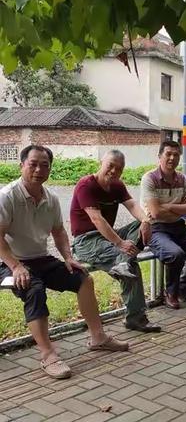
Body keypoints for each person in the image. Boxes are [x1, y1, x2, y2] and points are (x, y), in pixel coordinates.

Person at [0, 145, 128, 379]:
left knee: (83, 279)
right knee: (34, 289)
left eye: (45, 165)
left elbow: (59, 232)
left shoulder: (51, 198)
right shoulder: (7, 196)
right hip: (9, 261)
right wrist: (16, 266)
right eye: (33, 164)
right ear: (22, 166)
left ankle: (98, 337)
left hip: (41, 258)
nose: (39, 169)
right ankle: (48, 355)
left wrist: (68, 257)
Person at [71, 150, 161, 333]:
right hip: (86, 241)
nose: (113, 171)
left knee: (140, 226)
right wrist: (120, 244)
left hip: (108, 237)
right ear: (101, 162)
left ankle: (122, 262)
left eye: (118, 168)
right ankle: (135, 318)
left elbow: (133, 205)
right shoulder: (85, 185)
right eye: (110, 166)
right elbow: (97, 220)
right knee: (130, 264)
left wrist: (146, 221)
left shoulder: (117, 186)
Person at [141, 140, 186, 310]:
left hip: (178, 226)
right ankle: (171, 293)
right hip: (156, 228)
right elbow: (156, 214)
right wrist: (181, 209)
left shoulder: (182, 179)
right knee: (175, 254)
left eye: (176, 154)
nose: (172, 158)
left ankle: (183, 290)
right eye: (168, 154)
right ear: (160, 156)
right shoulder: (149, 179)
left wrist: (169, 206)